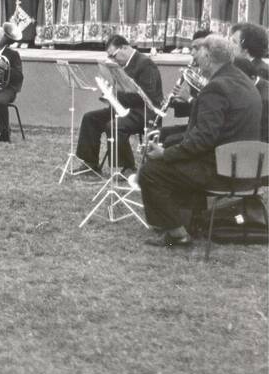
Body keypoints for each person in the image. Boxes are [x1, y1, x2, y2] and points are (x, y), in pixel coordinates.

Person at [139, 35, 262, 247]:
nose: (194, 57)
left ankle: (177, 234)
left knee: (152, 171)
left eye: (198, 53)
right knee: (173, 159)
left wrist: (165, 153)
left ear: (208, 56)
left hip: (221, 171)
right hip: (246, 169)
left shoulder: (216, 88)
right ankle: (189, 221)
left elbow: (203, 139)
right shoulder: (243, 82)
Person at [75, 35, 163, 176]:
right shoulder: (122, 65)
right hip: (124, 108)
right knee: (90, 118)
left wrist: (116, 95)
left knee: (114, 125)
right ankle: (90, 163)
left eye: (114, 56)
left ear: (125, 48)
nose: (113, 60)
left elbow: (149, 98)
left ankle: (128, 167)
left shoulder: (146, 64)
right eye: (110, 57)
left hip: (145, 112)